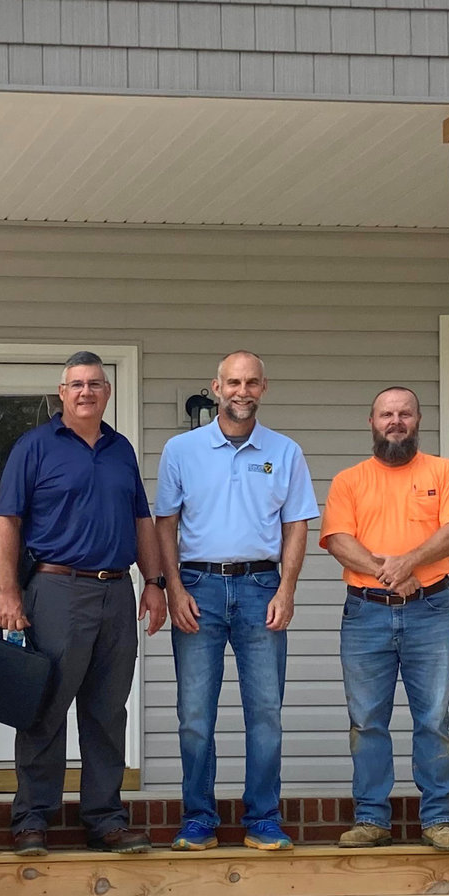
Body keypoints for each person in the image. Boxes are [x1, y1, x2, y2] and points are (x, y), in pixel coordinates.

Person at [0, 353, 169, 858]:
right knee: (45, 707)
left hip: (116, 591)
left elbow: (141, 520)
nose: (85, 392)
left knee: (108, 710)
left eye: (94, 384)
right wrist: (8, 592)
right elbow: (7, 522)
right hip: (57, 589)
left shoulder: (121, 449)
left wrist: (153, 581)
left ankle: (106, 820)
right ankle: (32, 820)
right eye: (76, 384)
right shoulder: (35, 446)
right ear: (62, 392)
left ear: (107, 392)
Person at [154, 351, 319, 854]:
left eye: (250, 383)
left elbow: (296, 525)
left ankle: (263, 819)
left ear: (263, 388)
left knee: (265, 713)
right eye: (233, 383)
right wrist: (173, 588)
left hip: (260, 587)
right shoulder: (181, 450)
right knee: (194, 715)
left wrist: (287, 589)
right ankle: (198, 819)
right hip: (198, 588)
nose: (241, 391)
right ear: (216, 387)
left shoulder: (285, 452)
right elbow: (166, 523)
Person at [317, 386, 449, 851]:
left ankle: (439, 819)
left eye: (404, 414)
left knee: (433, 718)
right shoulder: (349, 480)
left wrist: (408, 563)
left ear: (418, 420)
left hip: (430, 611)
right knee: (367, 720)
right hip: (365, 613)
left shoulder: (443, 472)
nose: (395, 421)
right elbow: (338, 540)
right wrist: (392, 574)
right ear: (371, 422)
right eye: (386, 414)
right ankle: (371, 819)